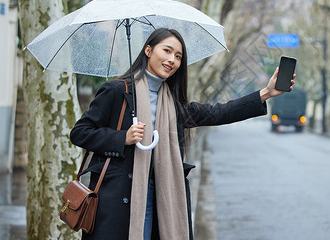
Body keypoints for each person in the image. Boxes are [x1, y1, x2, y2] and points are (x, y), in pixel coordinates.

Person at [70, 28, 295, 240]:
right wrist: (122, 138)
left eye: (178, 56)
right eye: (166, 51)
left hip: (157, 197)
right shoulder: (117, 91)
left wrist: (266, 93)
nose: (172, 60)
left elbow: (218, 112)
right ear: (148, 50)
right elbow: (80, 133)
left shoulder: (174, 104)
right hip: (115, 202)